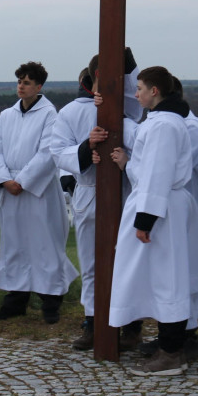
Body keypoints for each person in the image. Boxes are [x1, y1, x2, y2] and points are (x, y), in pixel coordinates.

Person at [109, 66, 198, 376]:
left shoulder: (164, 125)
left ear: (155, 91)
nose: (136, 93)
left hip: (160, 209)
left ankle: (171, 353)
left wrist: (146, 219)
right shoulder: (161, 121)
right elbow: (147, 168)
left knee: (168, 278)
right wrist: (128, 164)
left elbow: (158, 173)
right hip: (160, 205)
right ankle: (170, 346)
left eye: (140, 88)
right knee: (161, 277)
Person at [49, 50, 141, 351]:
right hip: (90, 191)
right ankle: (93, 322)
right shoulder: (71, 112)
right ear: (95, 77)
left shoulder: (128, 108)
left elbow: (142, 139)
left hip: (124, 191)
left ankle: (131, 325)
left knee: (128, 261)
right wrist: (87, 148)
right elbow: (58, 151)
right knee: (91, 263)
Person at [0, 61, 78, 324]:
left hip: (39, 191)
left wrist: (23, 181)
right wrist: (5, 180)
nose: (21, 86)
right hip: (10, 189)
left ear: (39, 86)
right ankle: (16, 300)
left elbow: (48, 151)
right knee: (14, 245)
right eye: (19, 81)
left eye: (27, 82)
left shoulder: (50, 115)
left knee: (44, 245)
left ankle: (51, 301)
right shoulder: (7, 115)